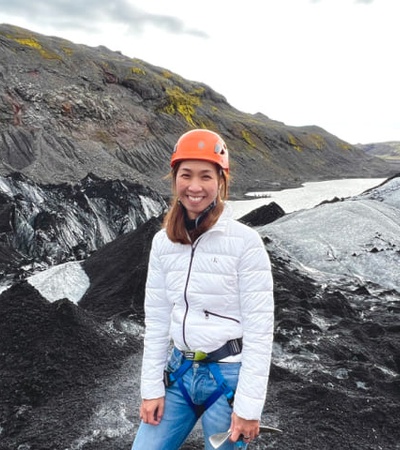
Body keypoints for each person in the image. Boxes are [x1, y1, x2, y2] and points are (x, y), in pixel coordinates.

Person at [131, 129, 274, 450]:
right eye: (186, 175)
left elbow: (260, 331)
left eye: (206, 176)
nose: (195, 187)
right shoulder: (162, 242)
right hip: (178, 374)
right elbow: (156, 321)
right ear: (174, 178)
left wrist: (249, 409)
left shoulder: (245, 243)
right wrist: (151, 389)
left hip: (227, 379)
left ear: (221, 181)